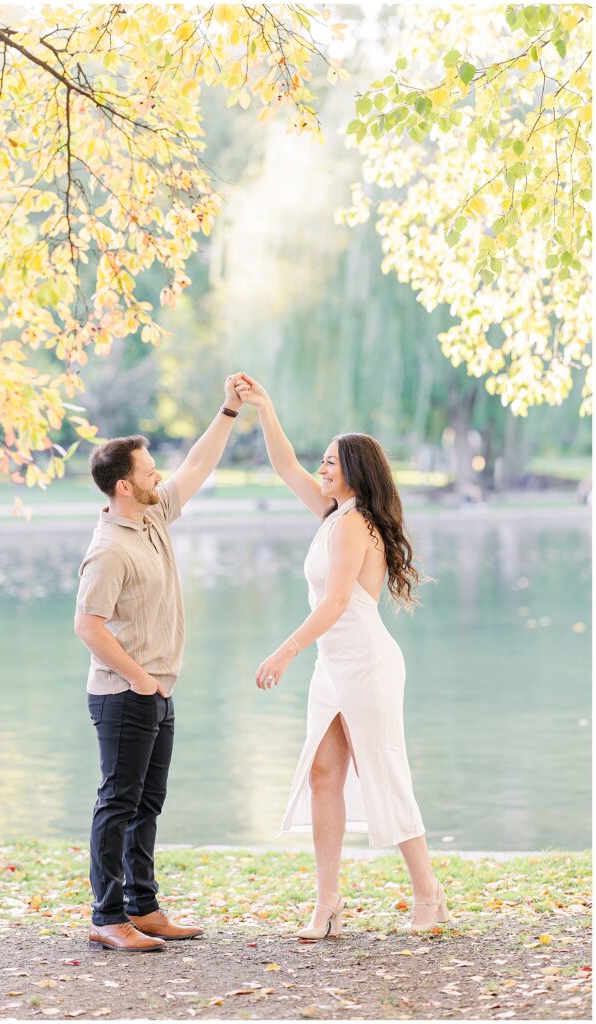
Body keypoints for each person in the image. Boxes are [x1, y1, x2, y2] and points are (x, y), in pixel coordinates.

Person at [235, 373, 450, 941]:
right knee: (323, 773)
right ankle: (327, 903)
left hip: (367, 664)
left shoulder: (355, 522)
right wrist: (265, 406)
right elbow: (285, 467)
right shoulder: (334, 513)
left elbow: (335, 602)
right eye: (323, 461)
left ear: (356, 472)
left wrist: (285, 651)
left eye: (331, 462)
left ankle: (428, 894)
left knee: (383, 769)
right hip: (333, 666)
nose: (322, 469)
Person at [75, 374, 246, 952]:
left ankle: (142, 907)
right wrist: (141, 679)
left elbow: (197, 466)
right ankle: (106, 916)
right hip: (125, 693)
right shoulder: (108, 550)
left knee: (148, 801)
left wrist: (227, 408)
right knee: (118, 801)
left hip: (156, 690)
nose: (159, 478)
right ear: (125, 486)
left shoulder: (150, 515)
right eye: (149, 473)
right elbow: (88, 626)